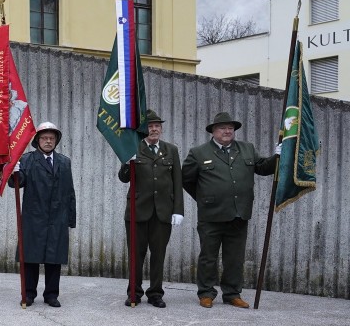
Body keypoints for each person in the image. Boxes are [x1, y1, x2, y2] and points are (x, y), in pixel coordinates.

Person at [182, 112, 279, 308]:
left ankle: (232, 293)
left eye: (230, 128)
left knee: (235, 258)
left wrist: (278, 156)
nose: (227, 131)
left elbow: (263, 168)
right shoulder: (198, 153)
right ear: (213, 131)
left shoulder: (247, 149)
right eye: (222, 128)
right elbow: (186, 180)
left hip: (239, 213)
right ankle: (206, 293)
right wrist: (205, 199)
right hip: (211, 215)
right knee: (208, 256)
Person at [117, 109, 184, 308]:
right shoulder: (133, 147)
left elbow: (177, 180)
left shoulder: (171, 150)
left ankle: (155, 293)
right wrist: (127, 161)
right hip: (138, 211)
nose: (153, 129)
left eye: (157, 126)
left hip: (163, 211)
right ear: (142, 129)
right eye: (149, 126)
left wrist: (178, 209)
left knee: (158, 255)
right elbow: (123, 178)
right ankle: (134, 293)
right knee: (136, 256)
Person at [12, 121, 76, 307]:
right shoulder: (26, 160)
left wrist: (70, 218)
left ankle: (51, 295)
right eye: (44, 138)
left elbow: (70, 191)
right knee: (31, 258)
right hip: (34, 218)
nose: (48, 141)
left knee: (54, 259)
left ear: (56, 140)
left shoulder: (64, 162)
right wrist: (13, 171)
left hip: (57, 218)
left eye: (51, 138)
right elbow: (16, 184)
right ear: (37, 140)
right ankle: (29, 293)